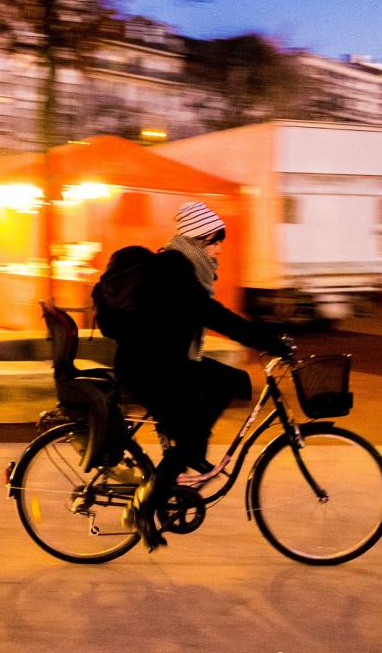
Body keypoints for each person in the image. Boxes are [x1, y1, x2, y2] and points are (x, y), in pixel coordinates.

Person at [116, 201, 289, 551]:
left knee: (233, 381)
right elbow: (215, 316)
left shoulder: (181, 265)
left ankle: (191, 452)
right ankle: (140, 507)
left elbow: (205, 315)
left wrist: (266, 338)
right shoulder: (173, 270)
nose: (219, 248)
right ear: (198, 238)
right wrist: (269, 341)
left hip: (164, 362)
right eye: (215, 240)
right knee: (190, 438)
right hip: (148, 369)